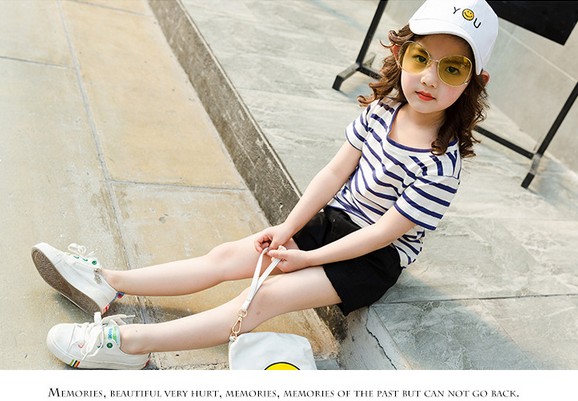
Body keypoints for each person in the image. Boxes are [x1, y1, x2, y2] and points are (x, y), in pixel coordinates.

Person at [32, 0, 499, 369]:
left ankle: (128, 345)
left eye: (452, 69)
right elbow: (333, 174)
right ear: (401, 53)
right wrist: (287, 229)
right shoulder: (382, 111)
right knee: (226, 256)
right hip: (335, 222)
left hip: (374, 258)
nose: (429, 78)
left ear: (475, 81)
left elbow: (381, 234)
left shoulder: (441, 166)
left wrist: (307, 259)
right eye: (421, 57)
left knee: (264, 297)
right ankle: (107, 283)